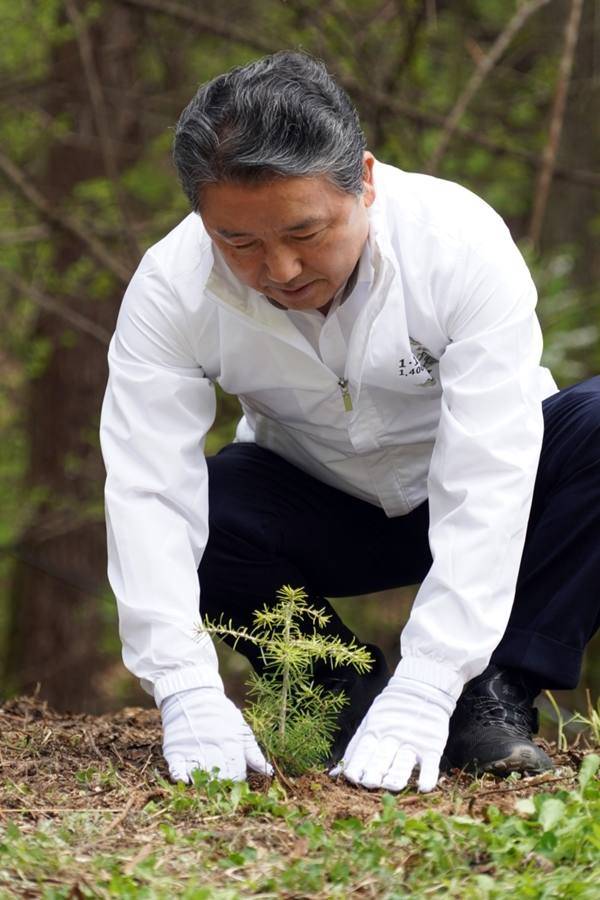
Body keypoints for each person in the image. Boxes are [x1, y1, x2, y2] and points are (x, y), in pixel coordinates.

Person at [100, 51, 600, 794]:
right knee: (211, 506)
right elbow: (147, 489)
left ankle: (490, 695)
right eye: (238, 242)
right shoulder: (170, 288)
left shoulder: (458, 244)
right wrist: (182, 686)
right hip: (322, 499)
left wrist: (430, 678)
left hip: (501, 493)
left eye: (304, 232)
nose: (280, 270)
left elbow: (489, 473)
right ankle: (341, 697)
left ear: (363, 180)